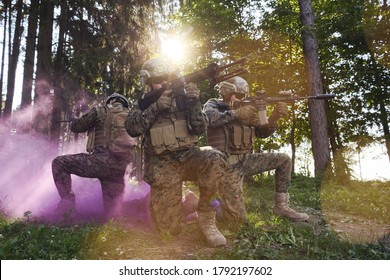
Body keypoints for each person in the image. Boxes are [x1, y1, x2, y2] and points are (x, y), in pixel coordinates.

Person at [124, 57, 227, 247]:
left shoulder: (183, 98)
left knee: (214, 157)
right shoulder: (142, 104)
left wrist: (195, 103)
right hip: (162, 166)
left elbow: (200, 127)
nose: (163, 83)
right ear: (148, 83)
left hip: (189, 157)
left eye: (166, 78)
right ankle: (187, 203)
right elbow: (132, 128)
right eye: (158, 80)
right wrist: (155, 108)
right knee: (168, 231)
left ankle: (206, 219)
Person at [203, 76, 309, 229]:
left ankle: (281, 206)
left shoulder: (248, 109)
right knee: (236, 221)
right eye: (238, 95)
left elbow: (262, 132)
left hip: (246, 160)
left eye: (244, 95)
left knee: (284, 159)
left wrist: (274, 117)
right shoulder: (213, 104)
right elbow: (210, 119)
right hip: (226, 165)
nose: (242, 98)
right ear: (226, 92)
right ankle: (212, 206)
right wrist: (236, 114)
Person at [52, 93, 136, 219]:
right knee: (112, 214)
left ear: (110, 102)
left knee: (59, 162)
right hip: (119, 170)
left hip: (99, 163)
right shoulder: (131, 117)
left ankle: (67, 204)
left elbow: (76, 127)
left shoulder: (100, 111)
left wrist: (78, 120)